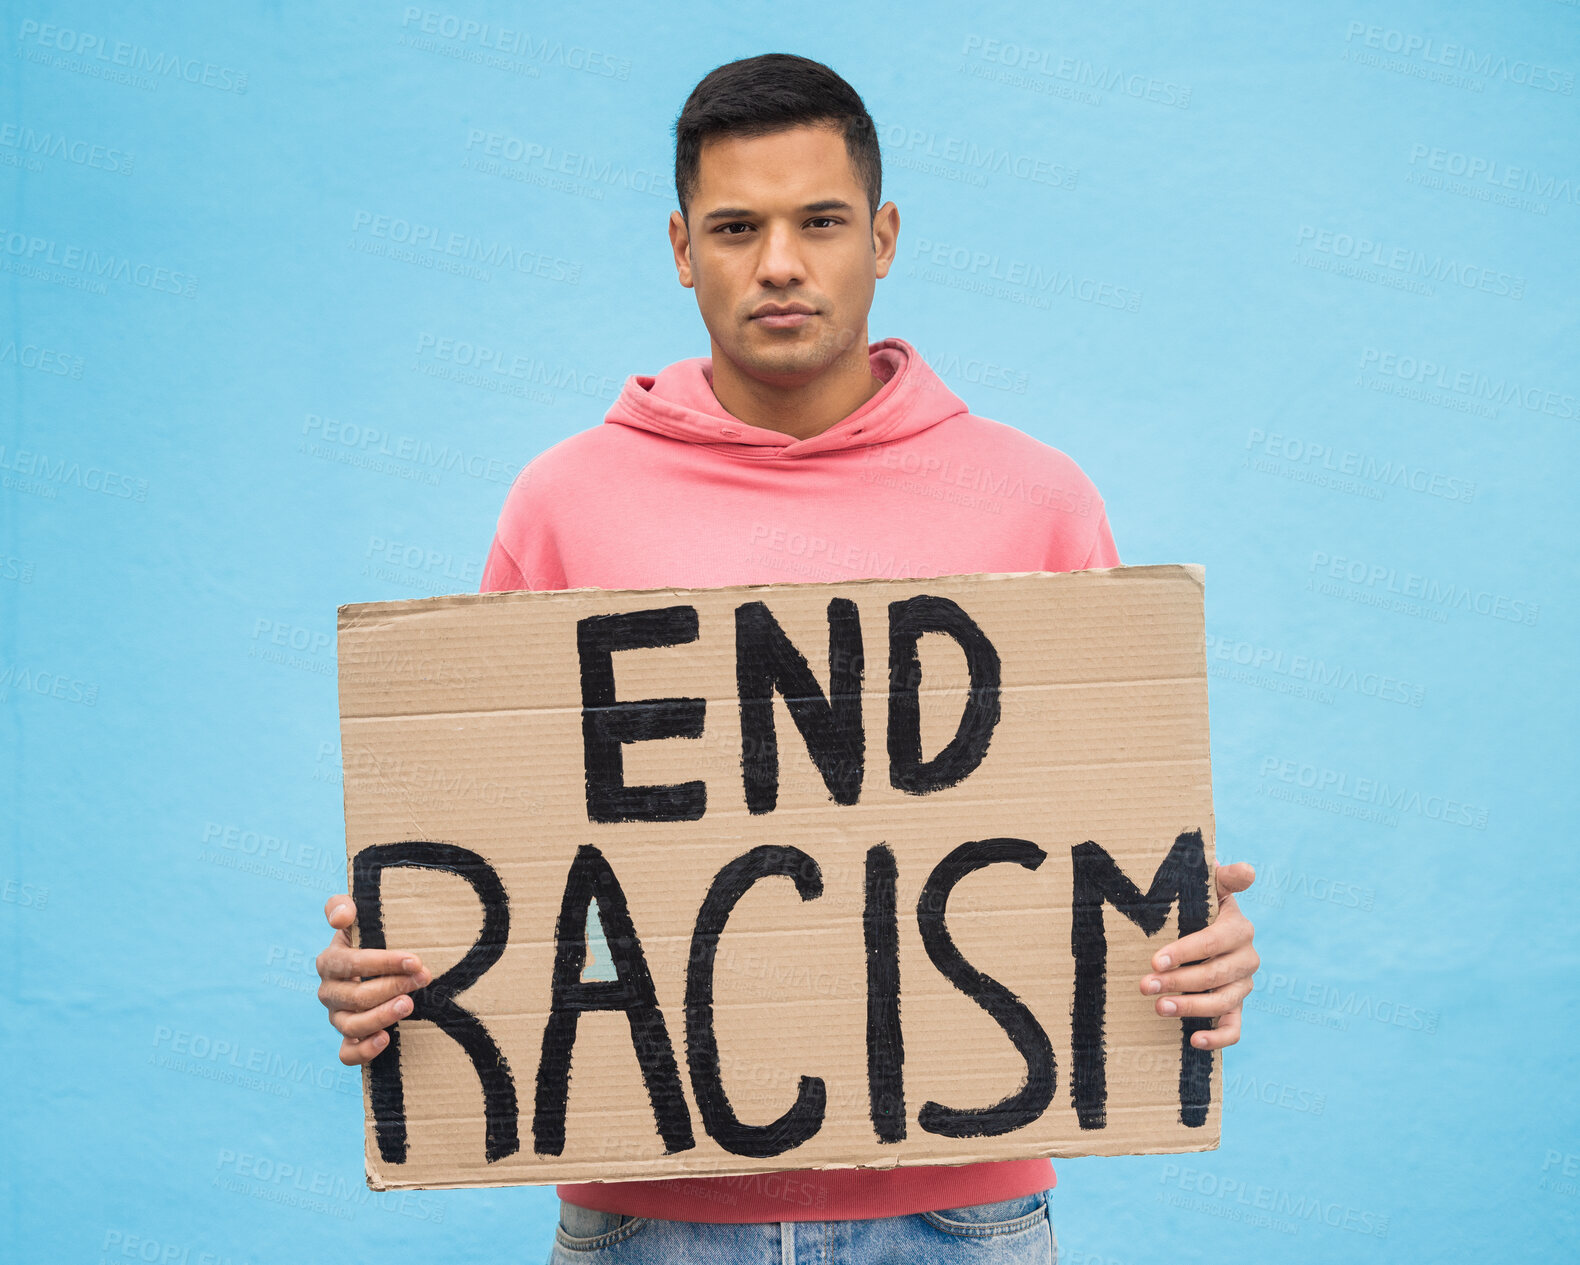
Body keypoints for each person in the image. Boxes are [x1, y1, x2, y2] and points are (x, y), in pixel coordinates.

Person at [314, 53, 1259, 1264]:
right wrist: (396, 958)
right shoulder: (563, 504)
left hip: (957, 1217)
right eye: (734, 226)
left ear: (882, 234)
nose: (777, 262)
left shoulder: (1033, 501)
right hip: (645, 1219)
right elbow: (505, 847)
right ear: (677, 246)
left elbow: (1105, 856)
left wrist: (1193, 950)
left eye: (817, 221)